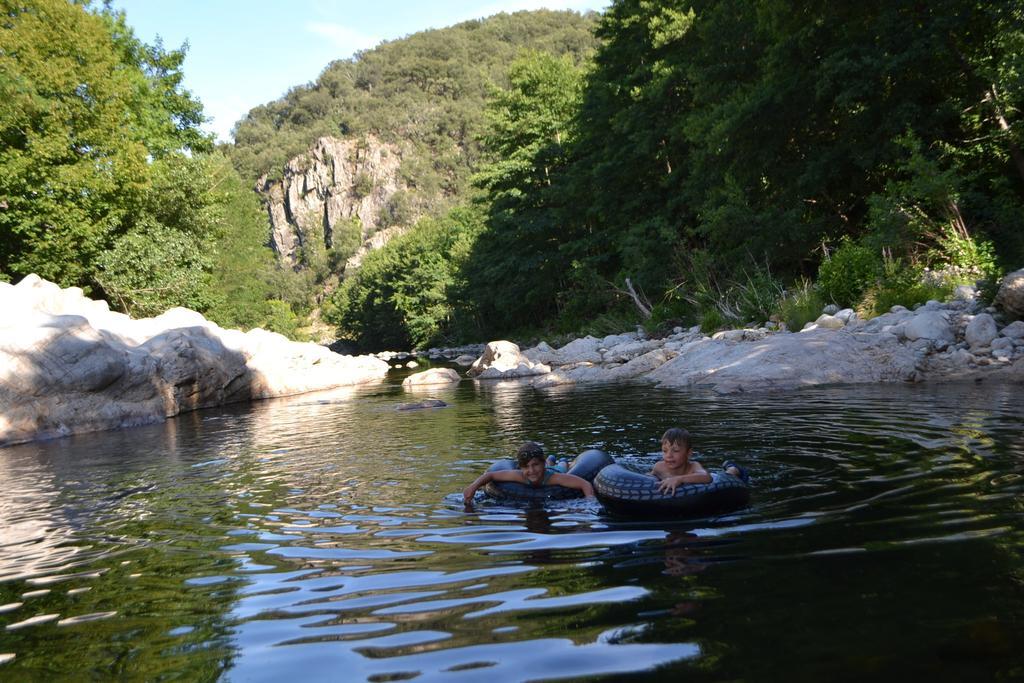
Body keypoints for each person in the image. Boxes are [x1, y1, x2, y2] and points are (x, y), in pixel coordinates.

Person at [463, 441, 595, 504]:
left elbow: (585, 485)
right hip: (546, 467)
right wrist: (473, 487)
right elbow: (490, 475)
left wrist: (589, 503)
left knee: (562, 466)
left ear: (541, 464)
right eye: (526, 466)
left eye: (535, 465)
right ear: (520, 468)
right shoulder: (519, 476)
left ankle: (561, 461)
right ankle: (551, 459)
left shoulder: (554, 478)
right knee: (550, 463)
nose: (531, 471)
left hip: (553, 470)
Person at [651, 427, 749, 494]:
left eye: (675, 451)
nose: (669, 456)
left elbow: (707, 477)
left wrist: (679, 479)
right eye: (664, 451)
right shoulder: (659, 467)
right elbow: (648, 478)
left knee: (728, 475)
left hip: (715, 479)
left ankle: (732, 467)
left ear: (689, 453)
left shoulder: (693, 466)